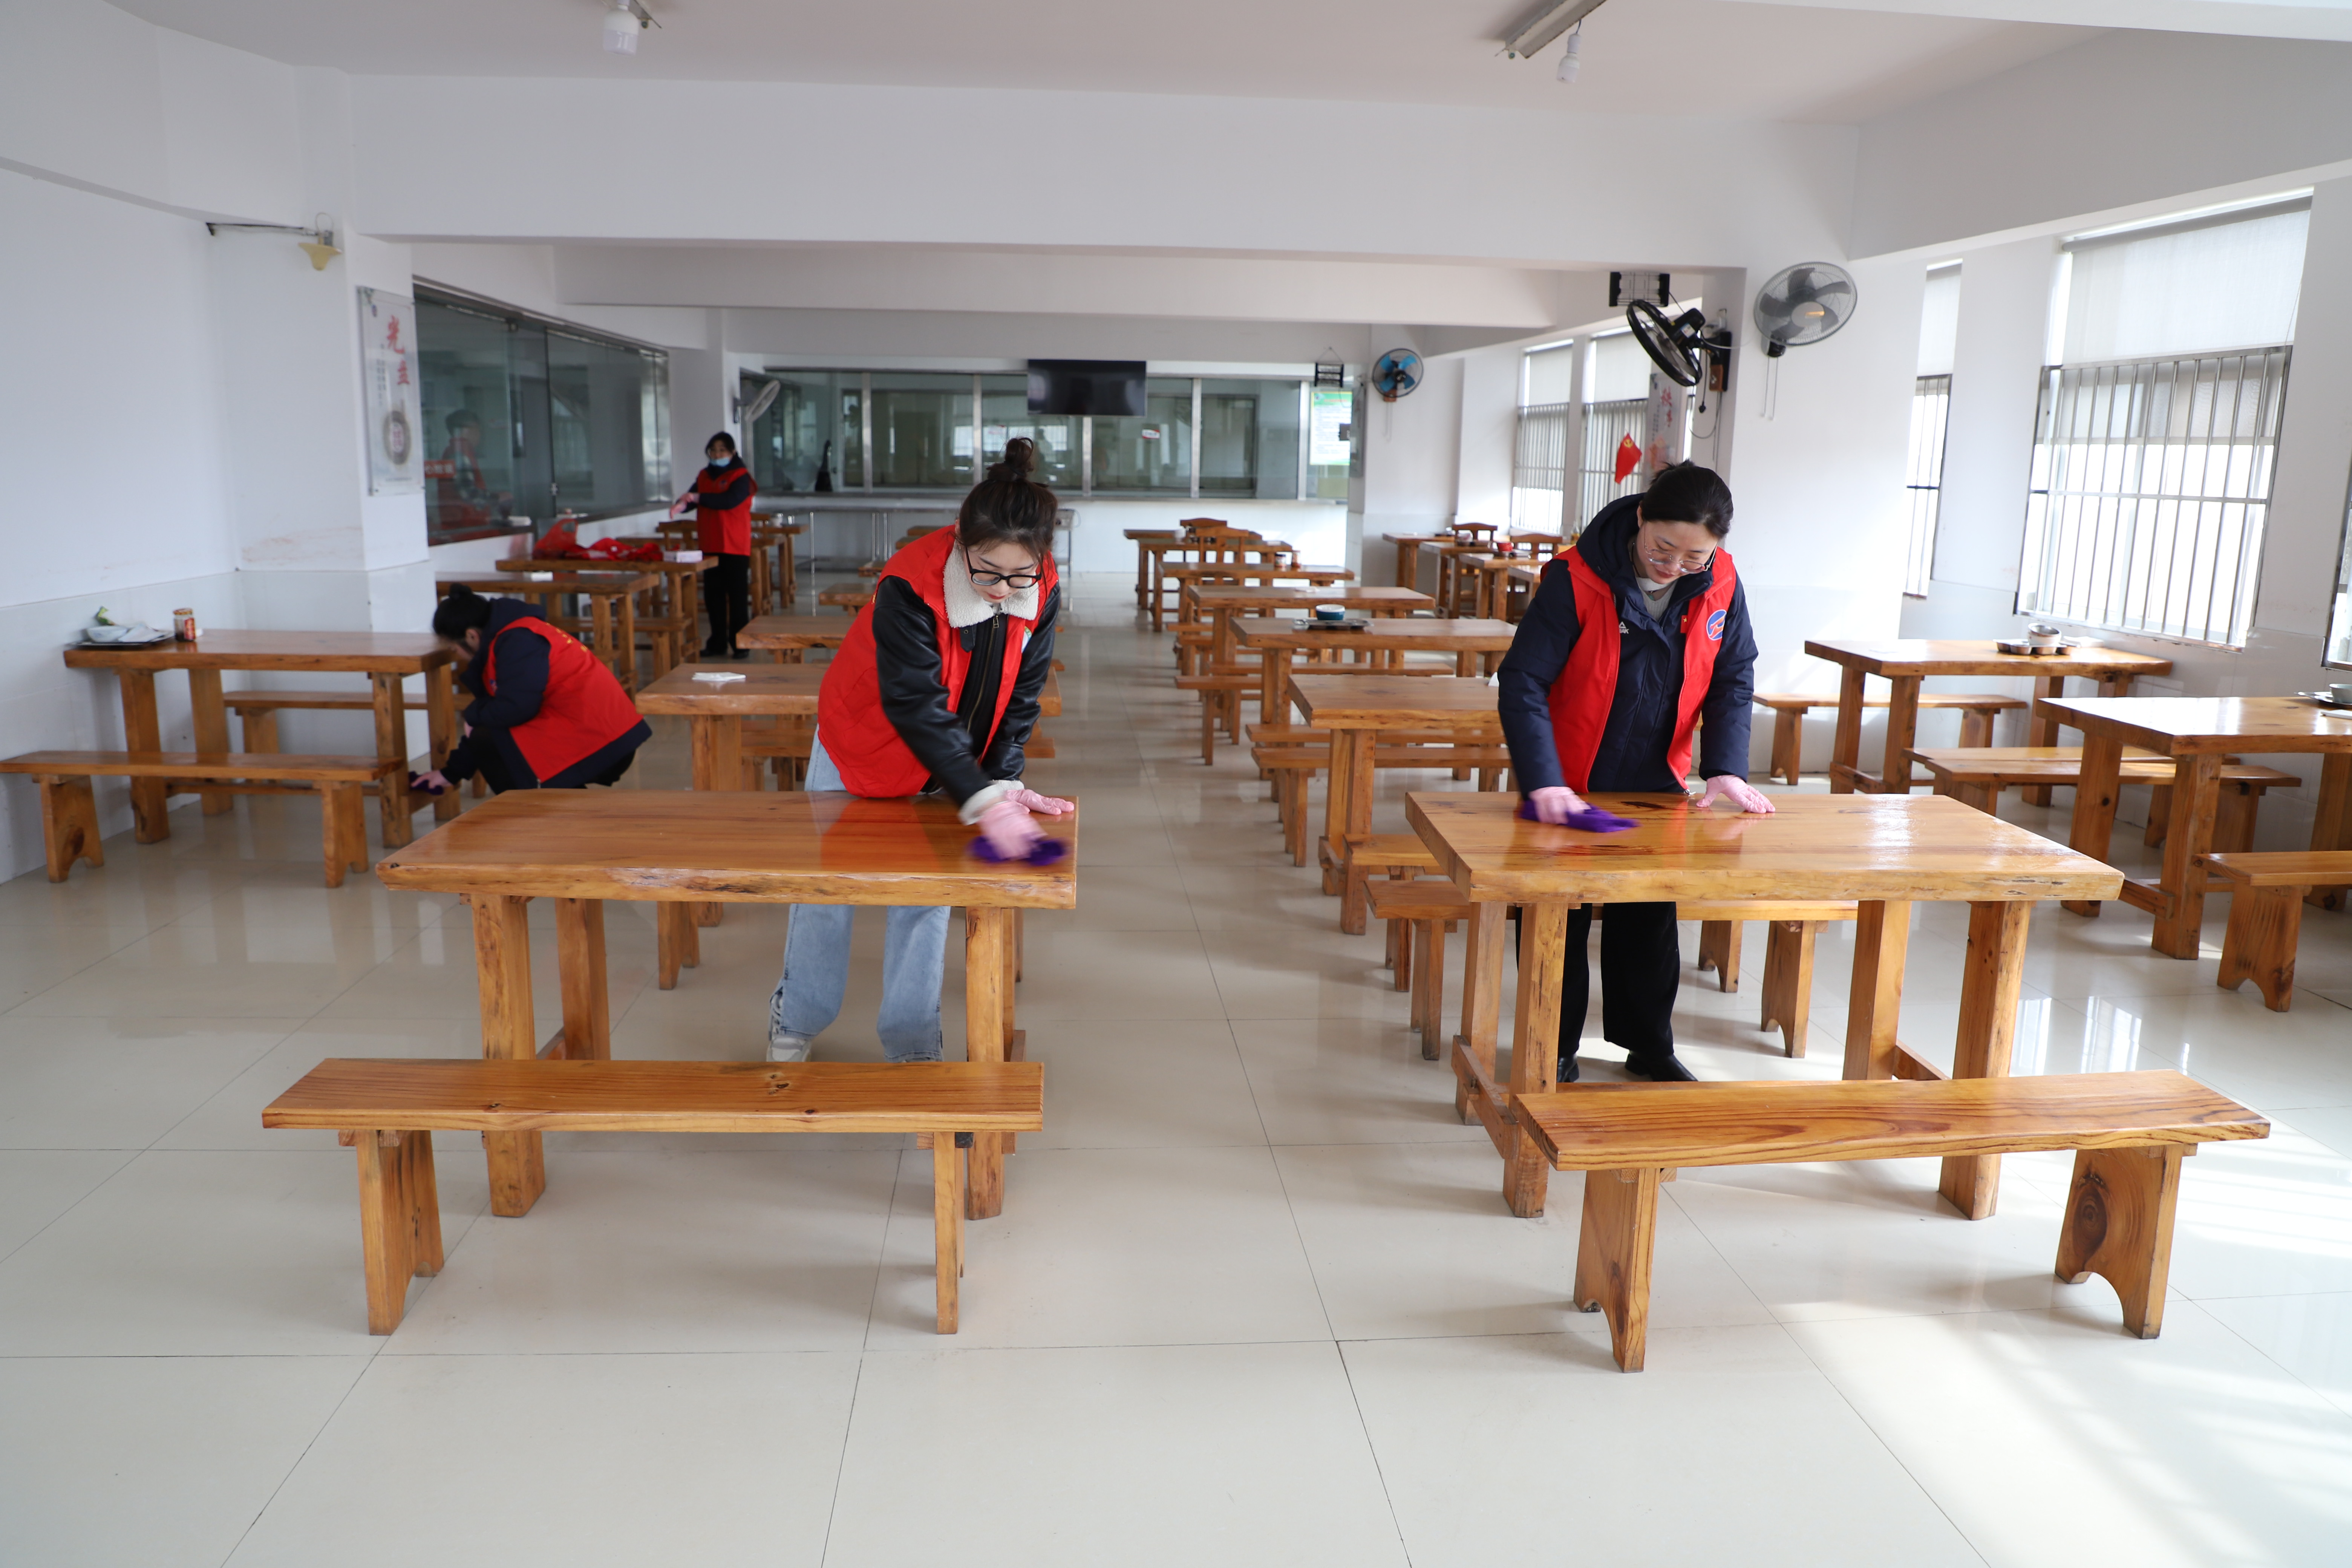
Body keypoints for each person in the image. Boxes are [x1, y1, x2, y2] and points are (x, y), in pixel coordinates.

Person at [767, 437, 1070, 1064]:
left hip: (951, 762)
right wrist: (982, 799)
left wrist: (1003, 780)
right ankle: (796, 1020)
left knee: (925, 897)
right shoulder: (909, 583)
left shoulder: (1040, 586)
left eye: (1020, 575)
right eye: (987, 572)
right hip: (864, 741)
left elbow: (1023, 694)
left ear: (1042, 558)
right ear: (961, 543)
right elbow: (914, 703)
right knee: (828, 890)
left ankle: (911, 1042)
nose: (1003, 589)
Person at [1494, 461, 1773, 1084]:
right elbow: (1523, 680)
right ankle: (1553, 1047)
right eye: (1662, 549)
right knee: (1556, 916)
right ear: (1641, 518)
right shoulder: (1575, 577)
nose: (1674, 567)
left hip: (1657, 778)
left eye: (1694, 556)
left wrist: (1725, 768)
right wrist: (1543, 779)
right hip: (1568, 778)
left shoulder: (1722, 581)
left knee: (1648, 916)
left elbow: (1733, 676)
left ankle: (1648, 1046)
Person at [413, 584, 651, 795]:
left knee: (489, 739)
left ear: (472, 636)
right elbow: (500, 713)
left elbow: (517, 709)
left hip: (604, 739)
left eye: (454, 649)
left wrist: (473, 715)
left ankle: (534, 813)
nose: (457, 657)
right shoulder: (511, 636)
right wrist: (450, 774)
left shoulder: (518, 641)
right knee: (487, 732)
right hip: (599, 731)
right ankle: (557, 809)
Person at [676, 432, 756, 660]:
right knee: (714, 597)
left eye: (722, 450)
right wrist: (681, 504)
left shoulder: (741, 476)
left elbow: (728, 501)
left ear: (732, 452)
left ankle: (740, 644)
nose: (717, 454)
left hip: (734, 545)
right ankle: (717, 642)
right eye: (713, 450)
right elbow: (692, 497)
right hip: (710, 543)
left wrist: (697, 498)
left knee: (737, 597)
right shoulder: (705, 475)